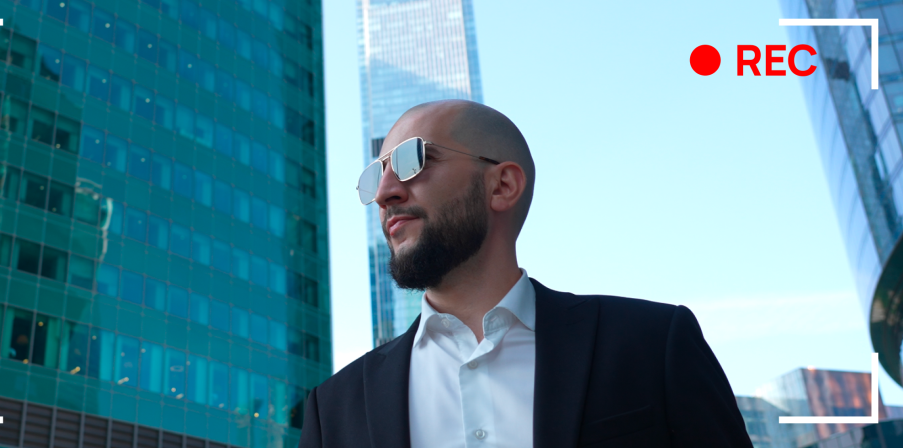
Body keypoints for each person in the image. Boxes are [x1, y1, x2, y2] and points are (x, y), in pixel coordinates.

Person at [299, 100, 751, 448]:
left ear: (503, 185)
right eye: (376, 176)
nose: (384, 193)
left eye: (413, 160)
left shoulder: (652, 344)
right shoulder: (333, 408)